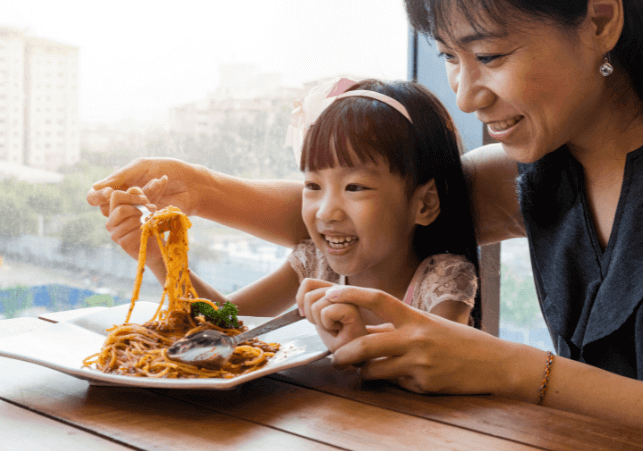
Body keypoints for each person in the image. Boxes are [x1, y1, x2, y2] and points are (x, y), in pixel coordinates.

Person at [87, 0, 643, 448]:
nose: (467, 94)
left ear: (600, 20)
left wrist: (507, 368)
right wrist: (198, 191)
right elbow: (368, 207)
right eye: (450, 57)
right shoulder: (548, 158)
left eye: (490, 55)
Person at [89, 78, 481, 346]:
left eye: (355, 187)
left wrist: (355, 336)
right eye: (312, 186)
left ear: (424, 203)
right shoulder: (315, 264)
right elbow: (225, 327)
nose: (326, 210)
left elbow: (438, 358)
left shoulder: (443, 279)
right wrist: (162, 260)